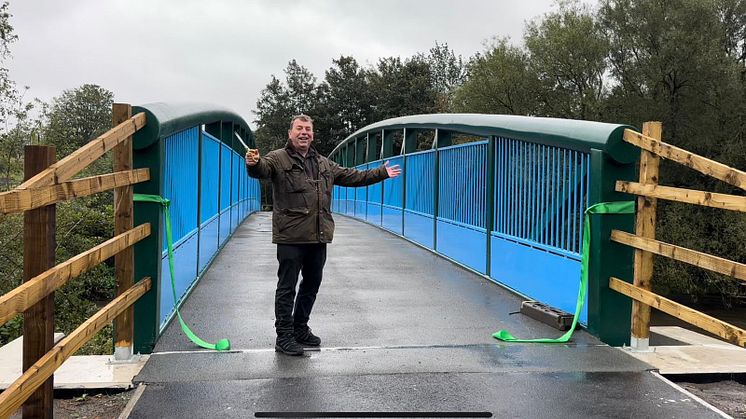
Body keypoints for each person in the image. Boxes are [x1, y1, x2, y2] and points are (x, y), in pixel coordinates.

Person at [245, 114, 401, 356]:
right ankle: (283, 336)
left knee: (312, 283)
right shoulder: (278, 158)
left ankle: (300, 328)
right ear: (290, 133)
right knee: (287, 287)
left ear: (312, 134)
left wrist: (381, 172)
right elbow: (262, 169)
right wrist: (253, 163)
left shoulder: (323, 163)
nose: (304, 132)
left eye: (308, 129)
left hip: (318, 236)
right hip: (291, 237)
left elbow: (353, 176)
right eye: (299, 128)